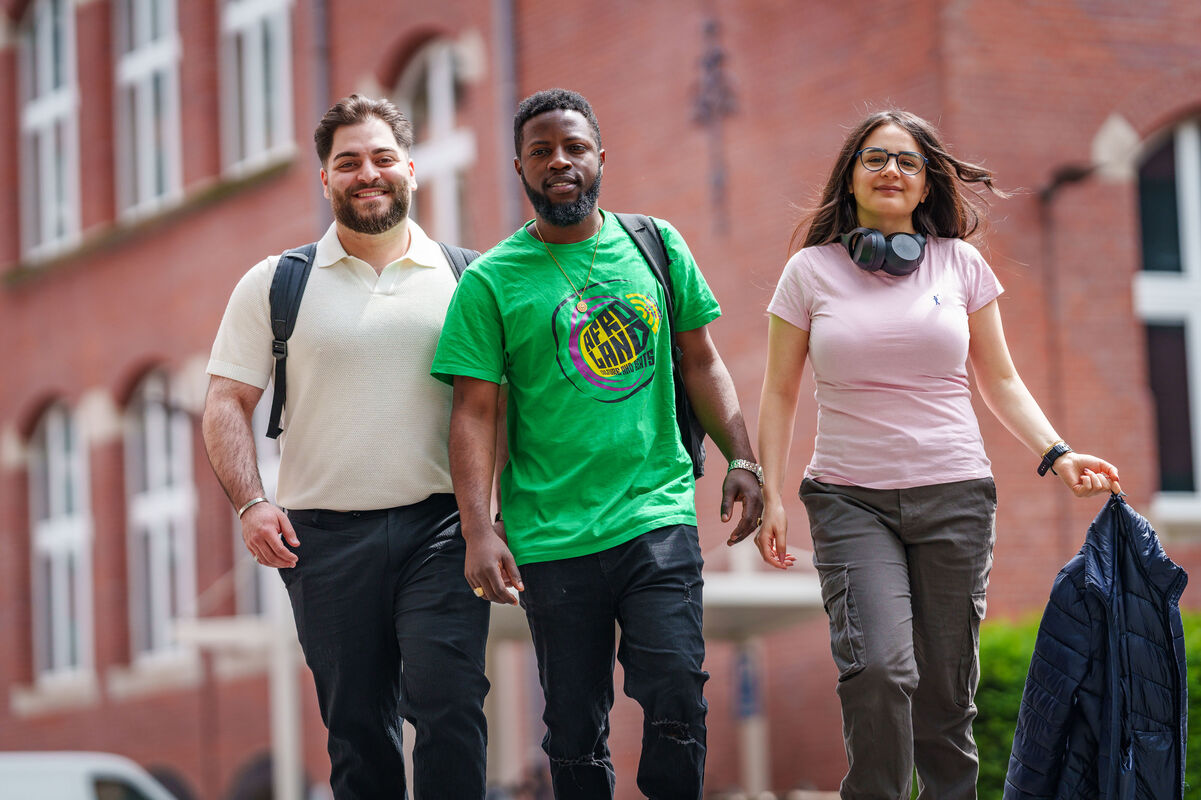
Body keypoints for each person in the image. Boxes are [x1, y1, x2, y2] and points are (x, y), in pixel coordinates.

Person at [755, 109, 1121, 799]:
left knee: (946, 699)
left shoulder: (961, 264)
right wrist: (771, 493)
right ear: (850, 177)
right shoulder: (809, 272)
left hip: (954, 496)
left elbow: (1001, 379)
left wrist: (1058, 453)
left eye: (907, 161)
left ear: (927, 184)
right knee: (878, 670)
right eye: (874, 158)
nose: (890, 171)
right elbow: (778, 391)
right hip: (849, 500)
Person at [431, 88, 764, 800]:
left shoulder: (656, 244)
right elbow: (474, 414)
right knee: (574, 729)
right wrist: (477, 530)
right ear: (519, 168)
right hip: (550, 536)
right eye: (541, 151)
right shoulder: (490, 281)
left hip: (655, 513)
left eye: (574, 147)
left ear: (600, 158)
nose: (559, 162)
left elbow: (701, 360)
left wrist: (742, 457)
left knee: (677, 688)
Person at [202, 95, 490, 800]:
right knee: (359, 732)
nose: (368, 173)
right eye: (349, 161)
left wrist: (499, 512)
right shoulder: (277, 283)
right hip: (324, 540)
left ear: (411, 169)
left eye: (383, 157)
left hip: (442, 530)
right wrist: (251, 503)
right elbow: (225, 402)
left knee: (450, 704)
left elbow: (505, 407)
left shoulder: (469, 278)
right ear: (325, 177)